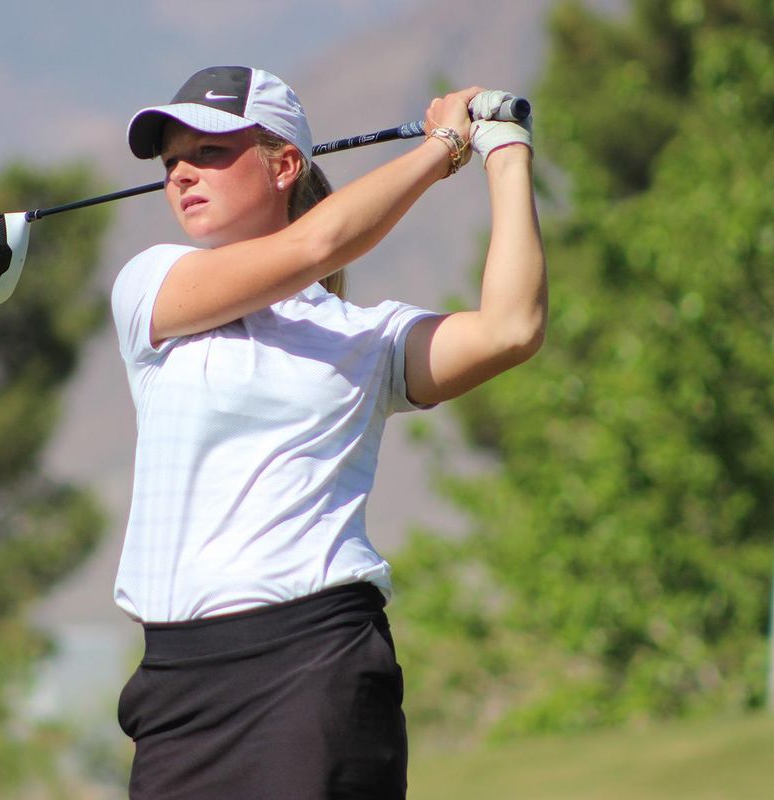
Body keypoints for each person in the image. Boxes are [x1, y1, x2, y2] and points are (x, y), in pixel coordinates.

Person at [110, 65, 545, 799]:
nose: (183, 172)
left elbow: (511, 328)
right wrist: (443, 146)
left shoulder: (365, 339)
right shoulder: (153, 285)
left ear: (284, 165)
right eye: (171, 160)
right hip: (177, 688)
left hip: (314, 665)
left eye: (211, 151)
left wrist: (504, 148)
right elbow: (314, 249)